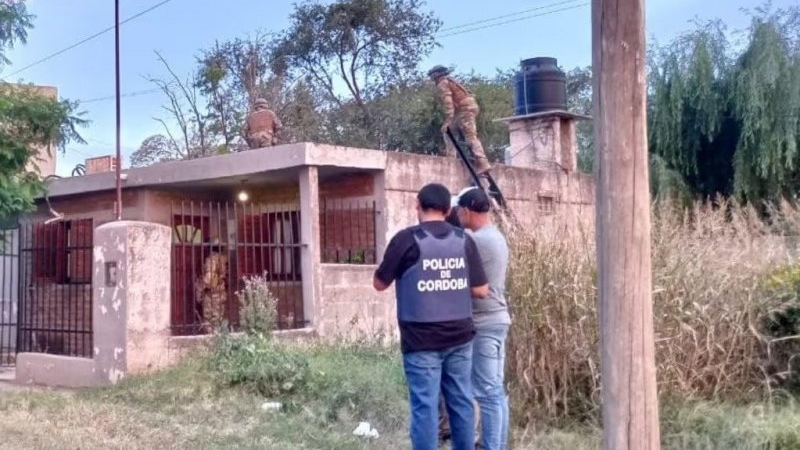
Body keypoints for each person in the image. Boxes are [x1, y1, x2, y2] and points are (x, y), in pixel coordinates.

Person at [373, 183, 489, 450]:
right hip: (460, 337)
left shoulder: (405, 239)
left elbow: (379, 284)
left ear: (417, 205)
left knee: (425, 406)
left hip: (420, 340)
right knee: (461, 402)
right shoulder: (464, 240)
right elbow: (481, 289)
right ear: (449, 210)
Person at [456, 187, 511, 450]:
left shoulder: (476, 241)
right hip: (498, 319)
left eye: (458, 211)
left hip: (484, 322)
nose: (456, 216)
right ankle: (496, 444)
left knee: (487, 392)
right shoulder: (495, 236)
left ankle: (491, 446)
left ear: (466, 211)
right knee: (495, 390)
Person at [427, 65, 491, 175]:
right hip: (467, 107)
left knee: (469, 136)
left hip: (464, 109)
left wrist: (449, 119)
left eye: (433, 74)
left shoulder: (442, 84)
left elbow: (448, 103)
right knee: (449, 131)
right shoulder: (451, 81)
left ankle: (482, 162)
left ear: (437, 74)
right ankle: (451, 156)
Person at [196, 241, 228, 332]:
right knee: (218, 320)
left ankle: (210, 342)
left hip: (211, 294)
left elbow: (209, 277)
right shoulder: (223, 259)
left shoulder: (211, 259)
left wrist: (200, 289)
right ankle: (218, 341)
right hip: (221, 292)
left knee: (209, 322)